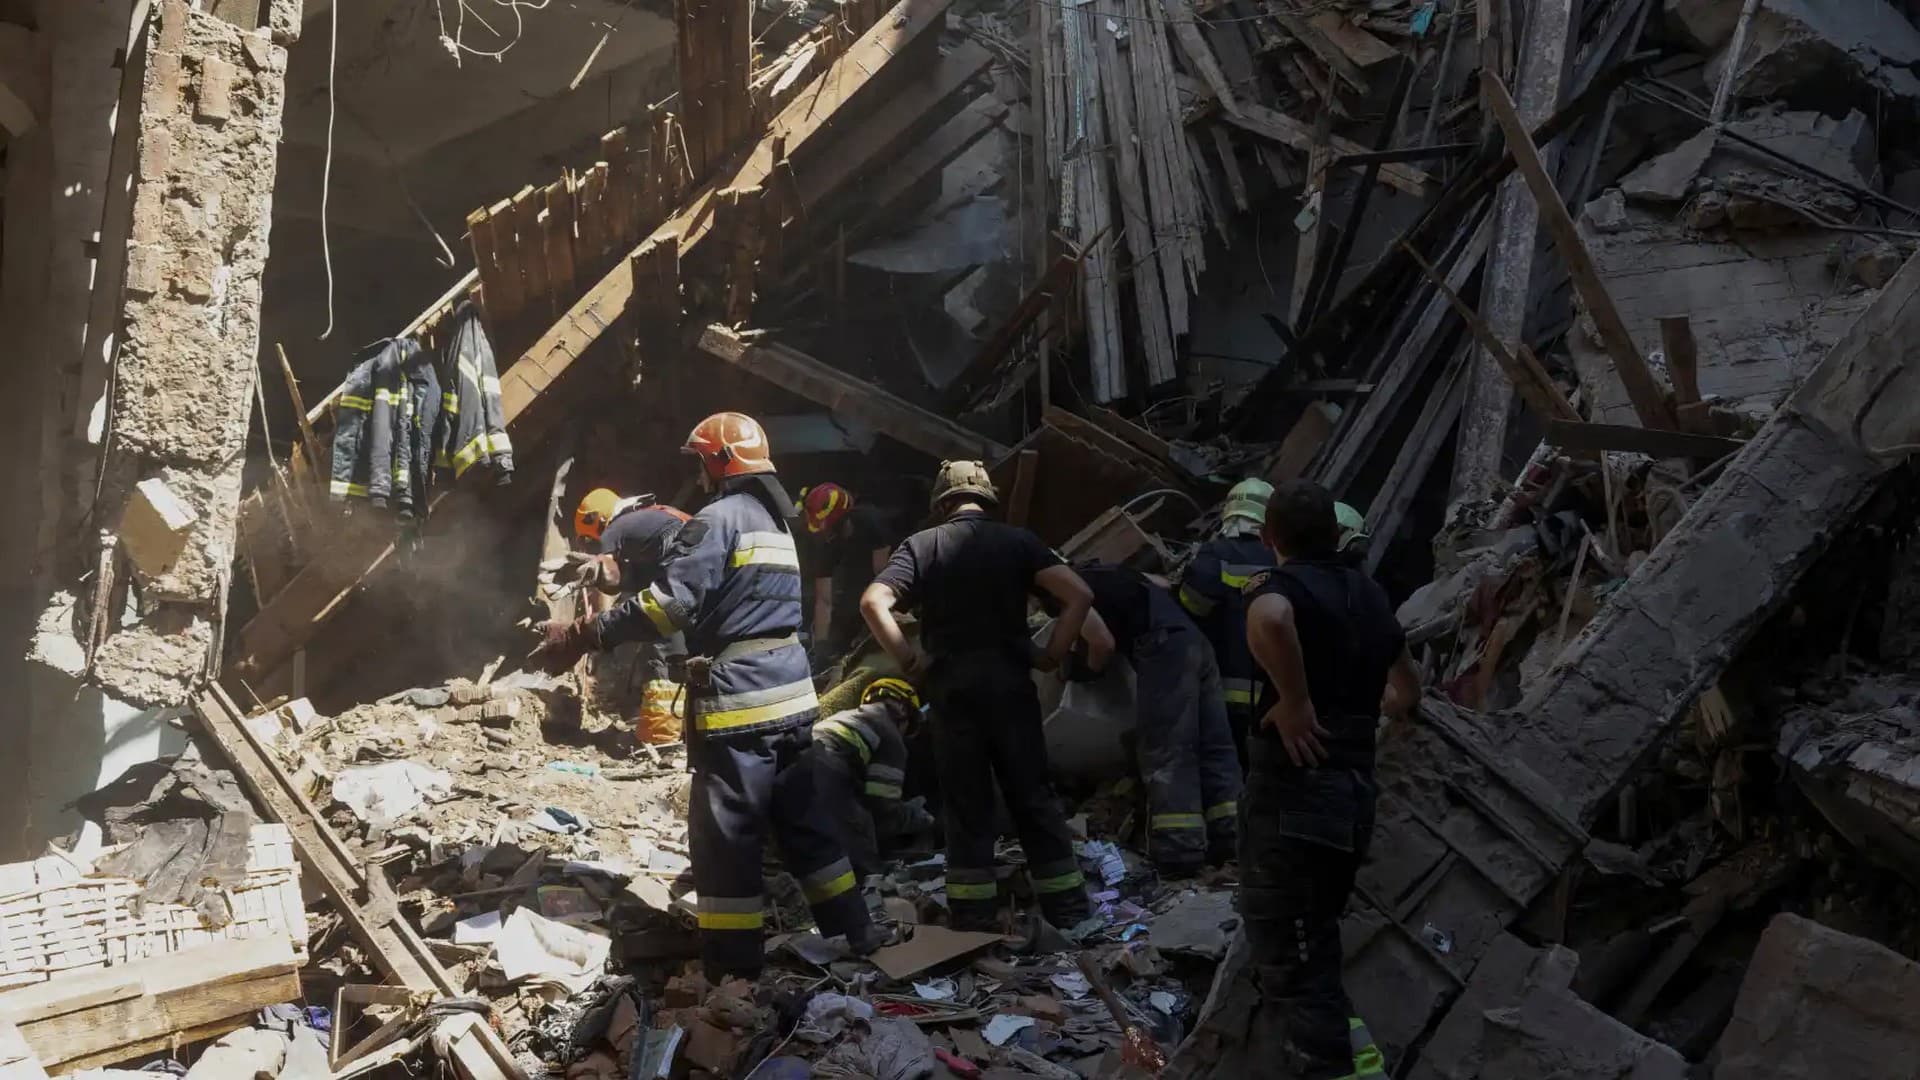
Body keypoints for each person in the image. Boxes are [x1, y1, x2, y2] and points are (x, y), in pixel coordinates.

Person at [533, 412, 878, 978]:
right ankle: (855, 928)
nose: (698, 472)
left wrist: (585, 634)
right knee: (805, 825)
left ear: (717, 462)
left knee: (726, 842)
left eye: (700, 461)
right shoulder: (778, 525)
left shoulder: (717, 519)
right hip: (792, 701)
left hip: (741, 708)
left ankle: (733, 970)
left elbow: (668, 605)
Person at [859, 460, 1095, 931]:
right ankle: (1068, 911)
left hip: (952, 689)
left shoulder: (923, 546)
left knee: (966, 803)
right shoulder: (1020, 542)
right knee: (1032, 795)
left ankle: (972, 915)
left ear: (942, 503)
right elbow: (1080, 596)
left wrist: (910, 661)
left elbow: (872, 602)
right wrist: (1050, 655)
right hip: (1011, 685)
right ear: (988, 498)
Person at [1237, 480, 1420, 1080]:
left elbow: (1270, 618)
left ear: (1270, 538)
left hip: (1297, 796)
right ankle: (1356, 1065)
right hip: (1352, 795)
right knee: (1315, 945)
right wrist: (1385, 706)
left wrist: (1295, 701)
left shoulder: (1280, 586)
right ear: (1337, 535)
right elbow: (1408, 689)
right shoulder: (1368, 594)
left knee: (1294, 958)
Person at [1067, 561, 1241, 877]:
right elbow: (1163, 583)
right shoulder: (1113, 572)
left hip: (1163, 649)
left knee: (1167, 749)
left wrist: (1083, 669)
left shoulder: (1066, 589)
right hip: (1195, 640)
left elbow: (1101, 643)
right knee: (1214, 747)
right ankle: (1233, 840)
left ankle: (1180, 851)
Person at [1177, 478, 1278, 769]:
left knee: (1223, 766)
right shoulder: (1281, 558)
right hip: (1274, 692)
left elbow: (1192, 604)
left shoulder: (1217, 553)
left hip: (1221, 691)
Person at [568, 489, 692, 722]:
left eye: (590, 539)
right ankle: (676, 724)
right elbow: (630, 580)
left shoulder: (617, 527)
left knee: (662, 644)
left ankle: (663, 731)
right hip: (703, 577)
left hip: (681, 576)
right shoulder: (651, 521)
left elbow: (604, 570)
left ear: (597, 520)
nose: (594, 545)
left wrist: (598, 633)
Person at [809, 677, 936, 879]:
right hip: (827, 769)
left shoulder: (849, 717)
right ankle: (871, 888)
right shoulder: (891, 736)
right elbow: (882, 807)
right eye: (908, 727)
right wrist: (915, 817)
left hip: (802, 769)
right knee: (859, 832)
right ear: (903, 710)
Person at [796, 482, 900, 667]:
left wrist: (875, 626)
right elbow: (824, 600)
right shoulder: (827, 542)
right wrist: (821, 646)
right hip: (854, 580)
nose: (822, 532)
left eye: (826, 527)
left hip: (884, 580)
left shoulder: (870, 521)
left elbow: (882, 576)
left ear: (840, 519)